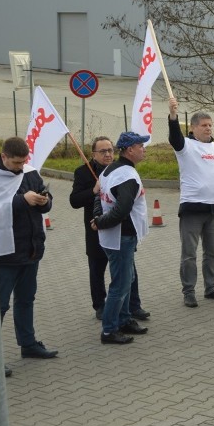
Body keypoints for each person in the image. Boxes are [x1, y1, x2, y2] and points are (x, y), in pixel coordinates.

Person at [0, 137, 58, 375]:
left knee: (26, 299)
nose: (20, 166)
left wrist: (43, 201)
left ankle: (28, 344)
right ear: (4, 156)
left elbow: (45, 203)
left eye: (23, 161)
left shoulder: (29, 173)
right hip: (4, 254)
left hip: (30, 249)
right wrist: (22, 200)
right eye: (16, 162)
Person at [70, 136, 149, 321]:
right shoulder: (83, 172)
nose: (108, 154)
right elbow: (74, 201)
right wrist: (93, 191)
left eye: (110, 150)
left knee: (128, 272)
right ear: (93, 154)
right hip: (96, 229)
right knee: (97, 269)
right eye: (103, 151)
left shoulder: (117, 170)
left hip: (120, 230)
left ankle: (133, 306)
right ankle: (100, 306)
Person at [169, 97, 214, 307]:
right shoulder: (186, 146)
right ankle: (189, 291)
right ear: (193, 128)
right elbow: (174, 137)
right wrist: (173, 116)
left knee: (212, 252)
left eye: (210, 125)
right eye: (204, 125)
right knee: (189, 254)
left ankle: (211, 287)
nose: (208, 128)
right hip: (192, 208)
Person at [92, 132, 152, 344]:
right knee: (121, 284)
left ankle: (124, 319)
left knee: (128, 279)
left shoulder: (111, 169)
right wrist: (100, 222)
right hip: (121, 236)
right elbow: (122, 209)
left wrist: (98, 219)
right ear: (129, 150)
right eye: (140, 145)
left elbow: (98, 195)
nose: (144, 149)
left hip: (119, 235)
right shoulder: (126, 175)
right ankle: (109, 330)